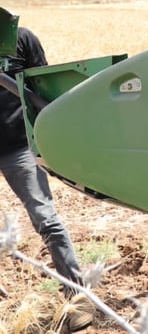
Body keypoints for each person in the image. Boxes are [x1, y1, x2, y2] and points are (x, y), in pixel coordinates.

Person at [1, 21, 93, 331]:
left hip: (19, 146)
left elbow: (42, 91)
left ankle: (78, 302)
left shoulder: (21, 39)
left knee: (46, 219)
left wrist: (45, 141)